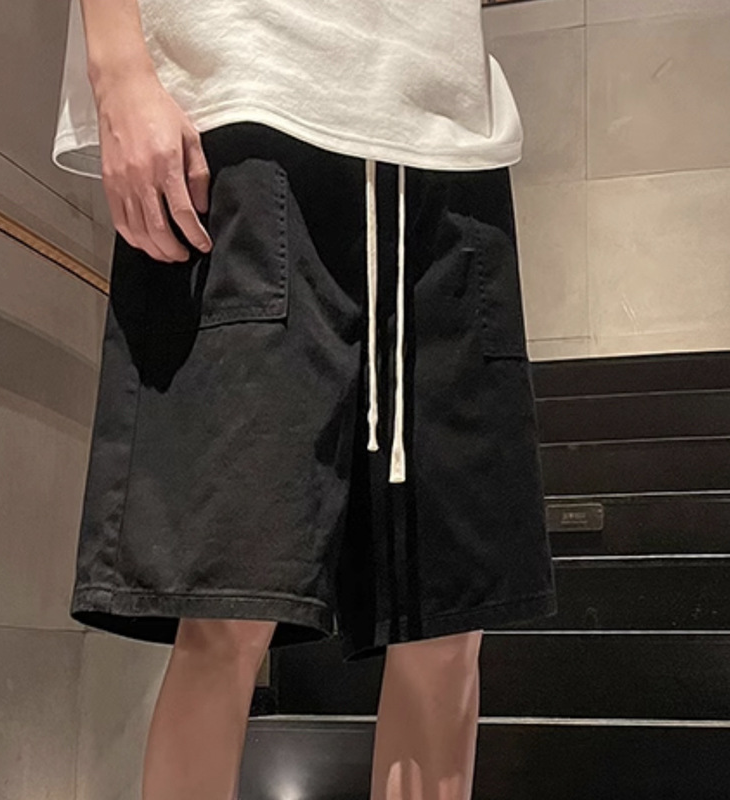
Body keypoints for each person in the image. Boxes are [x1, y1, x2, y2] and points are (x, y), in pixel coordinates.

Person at [52, 0, 557, 798]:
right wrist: (118, 73)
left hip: (449, 135)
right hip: (248, 104)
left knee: (446, 624)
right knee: (226, 608)